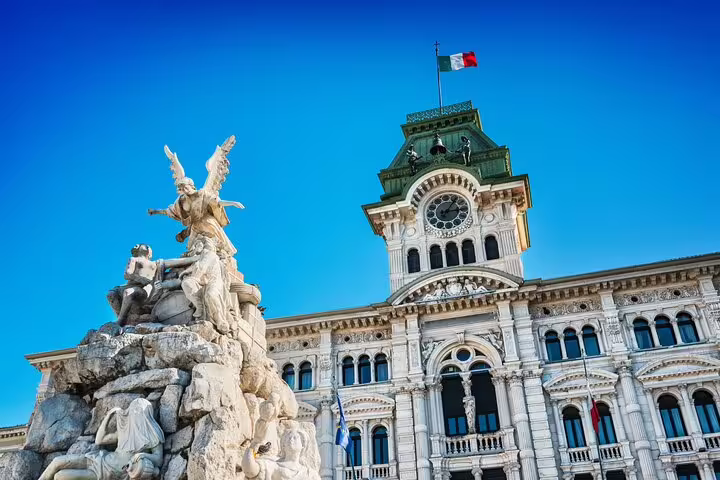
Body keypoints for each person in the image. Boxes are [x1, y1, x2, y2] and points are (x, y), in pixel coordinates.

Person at [38, 398, 164, 480]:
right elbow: (100, 440)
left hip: (107, 474)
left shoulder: (153, 435)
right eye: (132, 411)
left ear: (145, 415)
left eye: (137, 411)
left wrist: (142, 455)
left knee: (60, 476)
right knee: (56, 461)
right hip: (100, 458)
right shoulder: (126, 433)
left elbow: (158, 459)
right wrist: (109, 416)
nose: (133, 414)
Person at [242, 427, 320, 480]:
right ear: (283, 445)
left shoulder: (311, 474)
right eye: (288, 438)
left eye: (295, 438)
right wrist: (252, 448)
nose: (291, 440)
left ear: (303, 445)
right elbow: (250, 470)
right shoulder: (272, 465)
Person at [107, 244, 157, 326]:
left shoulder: (154, 264)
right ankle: (121, 317)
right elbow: (127, 274)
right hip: (131, 286)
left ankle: (121, 320)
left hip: (144, 290)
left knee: (128, 292)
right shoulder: (133, 259)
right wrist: (142, 279)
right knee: (110, 294)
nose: (137, 245)